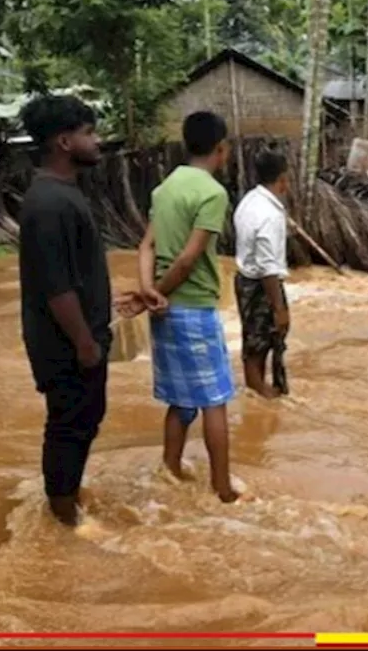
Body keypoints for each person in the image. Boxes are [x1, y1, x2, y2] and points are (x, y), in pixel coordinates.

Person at [17, 95, 123, 527]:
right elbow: (56, 288)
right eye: (88, 133)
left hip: (78, 338)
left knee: (83, 420)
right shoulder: (50, 204)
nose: (96, 141)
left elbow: (74, 276)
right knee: (68, 425)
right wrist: (84, 342)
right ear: (64, 141)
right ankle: (63, 518)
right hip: (66, 344)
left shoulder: (60, 196)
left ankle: (68, 500)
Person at [137, 111, 239, 502]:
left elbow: (145, 246)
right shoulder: (212, 193)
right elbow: (187, 259)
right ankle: (223, 488)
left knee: (180, 400)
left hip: (164, 313)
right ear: (221, 148)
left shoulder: (164, 189)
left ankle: (171, 470)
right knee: (215, 400)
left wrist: (149, 293)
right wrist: (157, 292)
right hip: (193, 308)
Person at [233, 151, 291, 399]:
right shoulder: (269, 214)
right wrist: (279, 308)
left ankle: (257, 389)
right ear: (282, 179)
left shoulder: (249, 200)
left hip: (245, 279)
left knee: (256, 340)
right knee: (263, 340)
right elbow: (268, 267)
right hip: (261, 284)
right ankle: (260, 391)